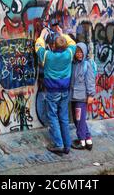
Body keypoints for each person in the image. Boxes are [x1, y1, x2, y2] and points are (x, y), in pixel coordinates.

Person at [35, 26, 76, 155]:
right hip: (65, 91)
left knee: (52, 116)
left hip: (52, 91)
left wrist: (42, 35)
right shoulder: (69, 54)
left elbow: (38, 47)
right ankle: (67, 145)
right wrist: (62, 34)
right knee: (63, 117)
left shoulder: (48, 56)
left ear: (53, 46)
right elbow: (72, 43)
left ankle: (58, 144)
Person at [70, 42, 96, 150]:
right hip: (74, 96)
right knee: (79, 120)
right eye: (77, 52)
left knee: (79, 119)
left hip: (81, 97)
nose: (79, 54)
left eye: (81, 52)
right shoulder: (75, 64)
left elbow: (90, 81)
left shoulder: (87, 64)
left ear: (84, 52)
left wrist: (91, 95)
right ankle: (88, 139)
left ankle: (82, 141)